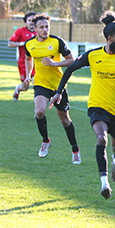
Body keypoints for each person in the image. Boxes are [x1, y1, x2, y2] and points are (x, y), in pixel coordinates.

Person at [51, 11, 115, 200]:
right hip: (97, 106)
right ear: (110, 38)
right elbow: (69, 69)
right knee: (101, 138)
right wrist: (59, 92)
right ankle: (104, 184)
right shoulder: (93, 55)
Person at [23, 14, 81, 165]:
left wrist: (54, 64)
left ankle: (75, 150)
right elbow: (28, 59)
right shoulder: (29, 44)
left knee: (64, 119)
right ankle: (45, 140)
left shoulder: (57, 42)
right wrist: (28, 76)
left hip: (58, 86)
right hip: (41, 84)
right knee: (39, 112)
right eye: (41, 27)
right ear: (35, 29)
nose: (45, 30)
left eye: (47, 27)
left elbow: (71, 60)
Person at [8, 12, 36, 100]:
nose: (31, 22)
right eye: (29, 20)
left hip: (36, 62)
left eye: (33, 20)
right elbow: (10, 44)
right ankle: (18, 88)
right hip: (24, 62)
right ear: (25, 22)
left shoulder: (39, 32)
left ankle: (39, 107)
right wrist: (22, 44)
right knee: (25, 86)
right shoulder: (20, 31)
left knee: (37, 84)